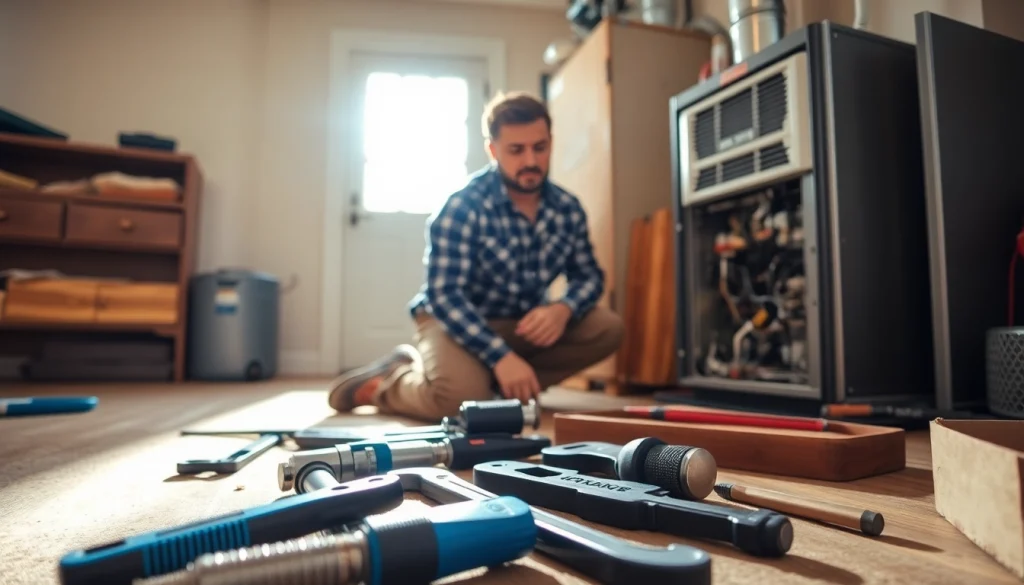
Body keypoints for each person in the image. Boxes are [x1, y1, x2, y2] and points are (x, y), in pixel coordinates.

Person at [328, 91, 625, 421]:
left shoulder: (568, 209)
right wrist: (500, 357)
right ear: (493, 150)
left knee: (607, 327)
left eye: (539, 148)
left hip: (520, 324)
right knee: (459, 403)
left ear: (551, 142)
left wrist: (563, 308)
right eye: (516, 150)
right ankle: (386, 384)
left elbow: (589, 276)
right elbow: (444, 296)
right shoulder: (461, 207)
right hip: (454, 321)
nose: (530, 161)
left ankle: (494, 391)